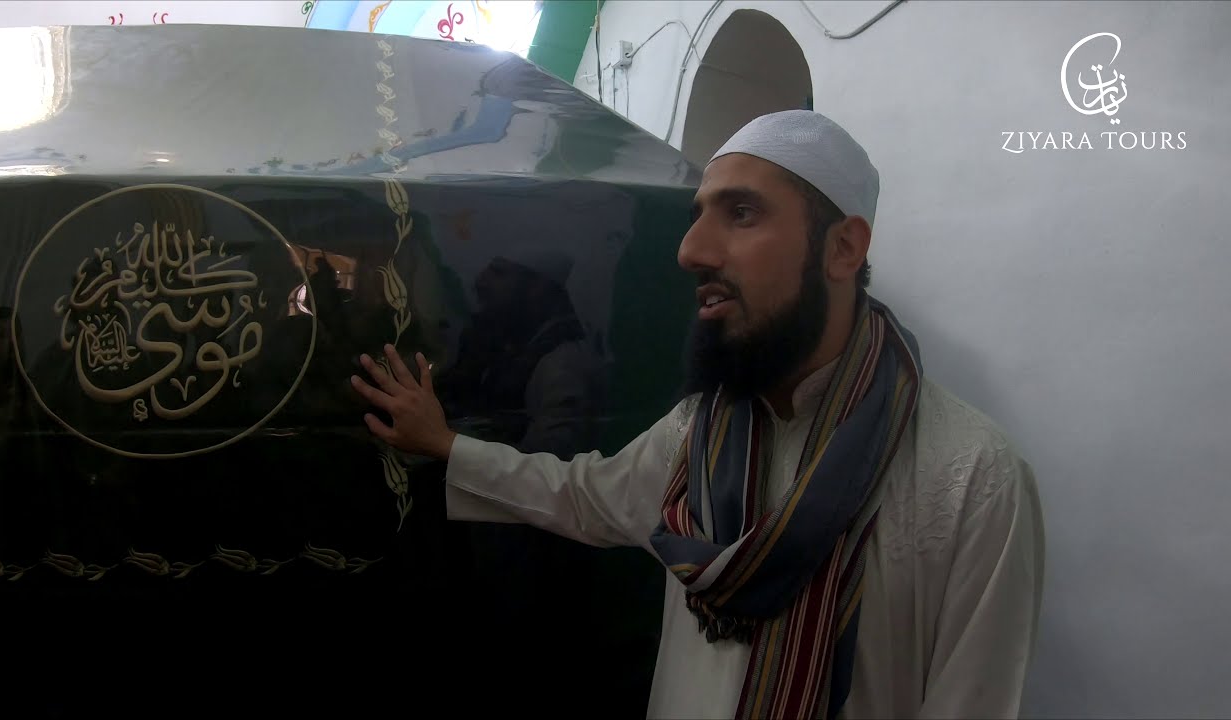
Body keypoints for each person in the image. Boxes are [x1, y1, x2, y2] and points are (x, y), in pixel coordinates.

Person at [349, 110, 1045, 719]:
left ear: (843, 247)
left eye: (741, 214)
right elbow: (587, 497)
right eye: (697, 218)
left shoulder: (972, 481)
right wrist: (446, 445)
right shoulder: (703, 431)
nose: (691, 252)